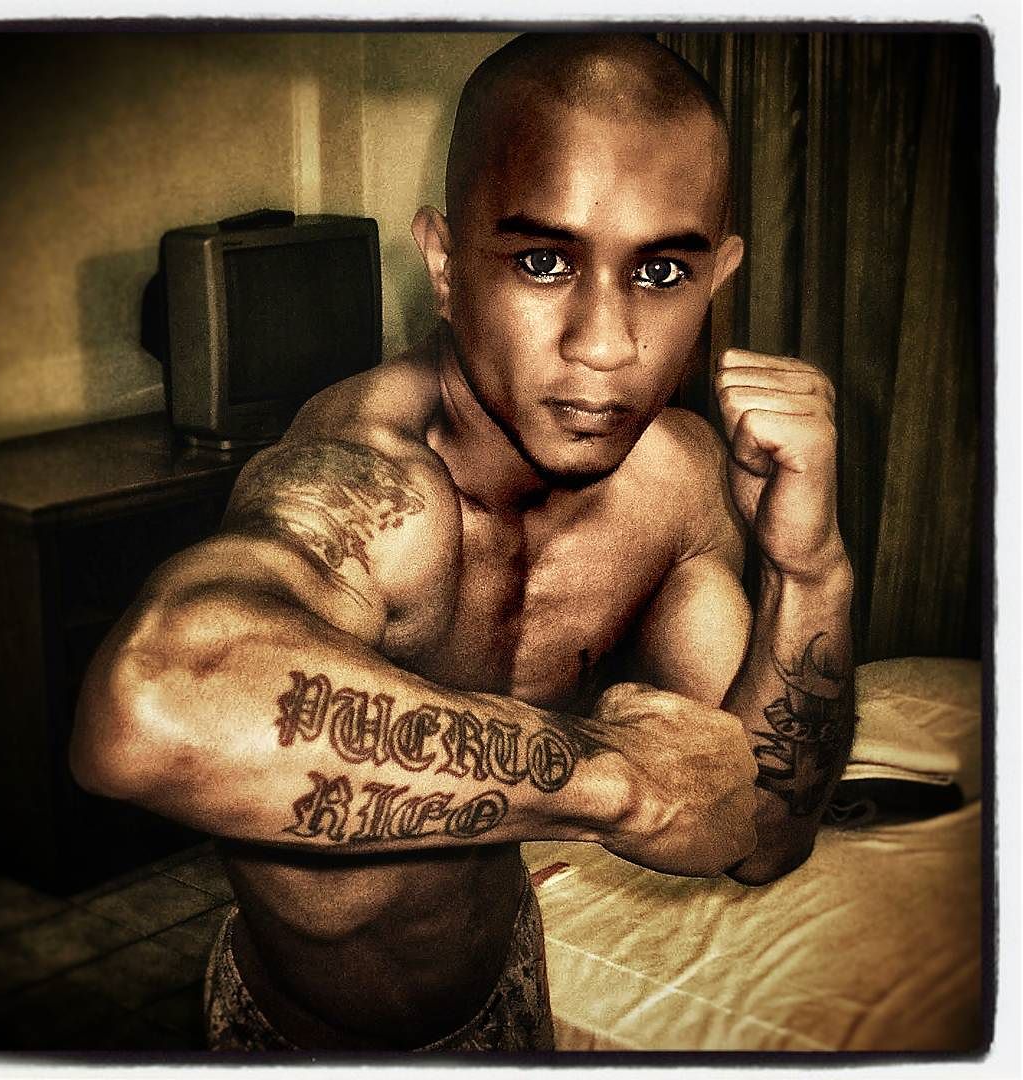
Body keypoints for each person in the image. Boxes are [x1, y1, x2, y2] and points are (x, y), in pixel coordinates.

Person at [70, 32, 854, 1052]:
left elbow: (762, 830)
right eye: (543, 261)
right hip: (301, 1037)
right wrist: (617, 783)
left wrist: (812, 569)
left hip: (505, 981)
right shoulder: (377, 479)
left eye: (662, 270)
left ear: (718, 276)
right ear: (444, 265)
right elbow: (148, 708)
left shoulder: (673, 485)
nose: (606, 345)